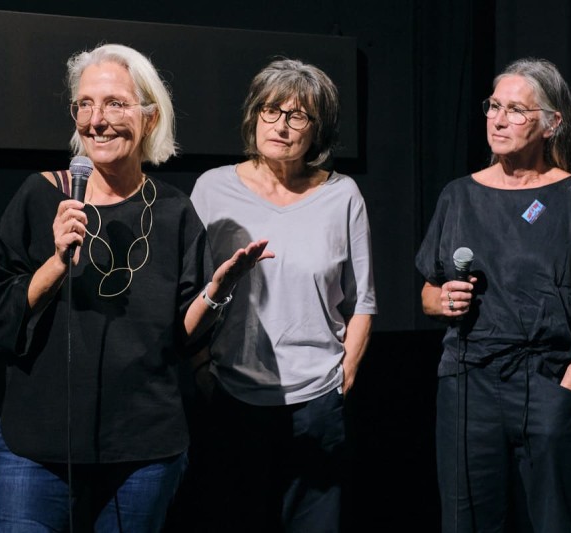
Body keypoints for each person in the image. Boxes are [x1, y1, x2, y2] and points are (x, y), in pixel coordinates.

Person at [0, 43, 272, 532]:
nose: (97, 120)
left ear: (149, 118)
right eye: (85, 105)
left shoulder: (173, 211)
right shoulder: (41, 195)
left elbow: (184, 336)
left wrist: (216, 290)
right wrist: (56, 263)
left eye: (114, 104)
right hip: (36, 446)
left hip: (142, 450)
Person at [415, 57, 571, 532]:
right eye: (494, 106)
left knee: (557, 521)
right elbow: (428, 291)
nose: (498, 119)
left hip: (548, 379)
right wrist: (442, 300)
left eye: (515, 110)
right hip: (469, 384)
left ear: (551, 124)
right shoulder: (458, 196)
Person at [187, 58, 378, 532]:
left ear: (319, 129)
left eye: (298, 115)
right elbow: (187, 290)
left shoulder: (342, 195)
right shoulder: (212, 189)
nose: (281, 125)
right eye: (270, 110)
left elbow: (362, 301)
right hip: (232, 396)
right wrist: (200, 367)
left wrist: (342, 378)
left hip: (317, 401)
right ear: (254, 115)